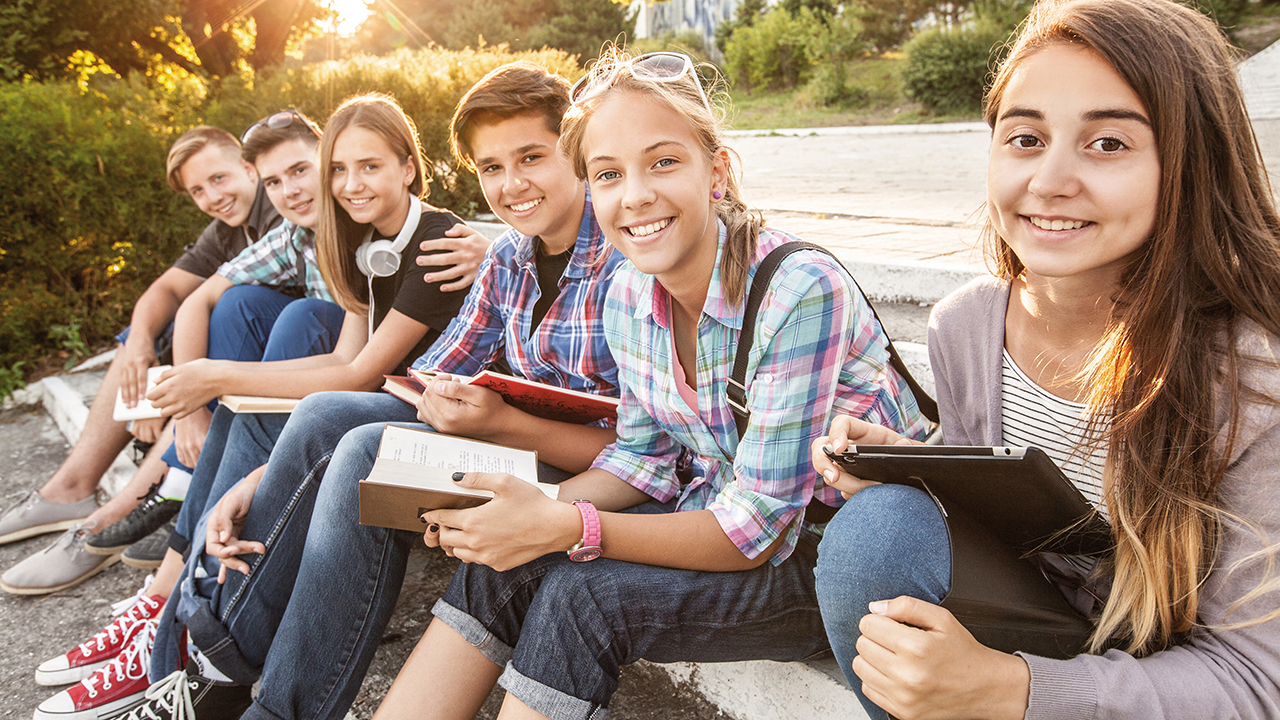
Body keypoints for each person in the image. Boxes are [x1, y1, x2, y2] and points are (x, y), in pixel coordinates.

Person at [366, 50, 930, 720]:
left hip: (828, 558)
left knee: (585, 599)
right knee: (506, 562)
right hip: (718, 510)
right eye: (607, 174)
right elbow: (644, 459)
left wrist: (563, 521)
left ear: (715, 171)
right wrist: (514, 515)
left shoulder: (797, 289)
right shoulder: (629, 292)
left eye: (663, 162)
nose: (634, 195)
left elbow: (757, 530)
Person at [108, 61, 630, 720]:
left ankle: (244, 693)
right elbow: (423, 379)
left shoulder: (622, 259)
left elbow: (643, 453)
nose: (512, 183)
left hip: (586, 477)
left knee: (360, 456)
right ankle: (215, 671)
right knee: (327, 421)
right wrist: (273, 476)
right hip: (505, 442)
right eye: (491, 168)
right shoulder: (505, 258)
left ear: (577, 153)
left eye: (532, 157)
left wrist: (497, 423)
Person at [811, 1, 1280, 719]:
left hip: (1187, 672)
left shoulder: (1253, 373)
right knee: (878, 530)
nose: (1050, 180)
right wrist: (920, 465)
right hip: (1051, 615)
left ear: (1192, 162)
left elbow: (1256, 679)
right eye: (1026, 138)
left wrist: (1014, 690)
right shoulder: (968, 326)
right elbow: (1001, 511)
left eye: (1109, 144)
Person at [30, 100, 484, 720]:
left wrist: (215, 376)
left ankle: (191, 653)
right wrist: (223, 396)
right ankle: (178, 638)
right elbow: (345, 361)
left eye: (370, 166)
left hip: (442, 422)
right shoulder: (361, 242)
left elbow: (355, 374)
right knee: (255, 406)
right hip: (388, 408)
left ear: (410, 167)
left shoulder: (436, 243)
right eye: (340, 170)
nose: (350, 185)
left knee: (315, 411)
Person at [0, 126, 284, 596]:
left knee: (230, 311)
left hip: (278, 366)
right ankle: (71, 487)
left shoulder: (283, 214)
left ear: (248, 167)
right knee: (143, 332)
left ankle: (114, 515)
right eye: (198, 190)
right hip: (233, 364)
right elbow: (168, 290)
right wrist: (139, 349)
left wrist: (185, 407)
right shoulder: (229, 227)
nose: (212, 197)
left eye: (219, 178)